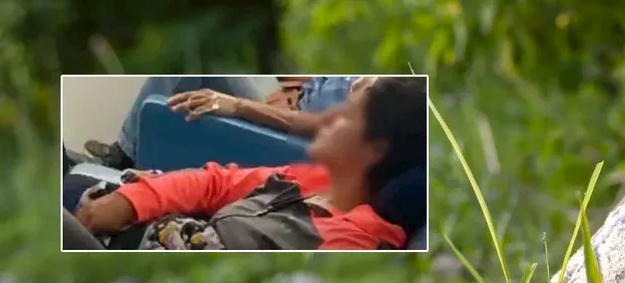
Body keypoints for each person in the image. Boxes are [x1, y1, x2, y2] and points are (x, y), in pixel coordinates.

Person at [68, 76, 426, 251]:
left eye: (346, 116)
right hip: (165, 228)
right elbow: (218, 182)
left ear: (373, 150)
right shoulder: (313, 179)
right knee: (72, 188)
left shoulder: (355, 239)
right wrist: (132, 201)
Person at [87, 75, 365, 169]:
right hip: (287, 107)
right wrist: (290, 92)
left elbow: (329, 126)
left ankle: (123, 157)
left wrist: (241, 106)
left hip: (294, 139)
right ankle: (126, 151)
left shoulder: (382, 88)